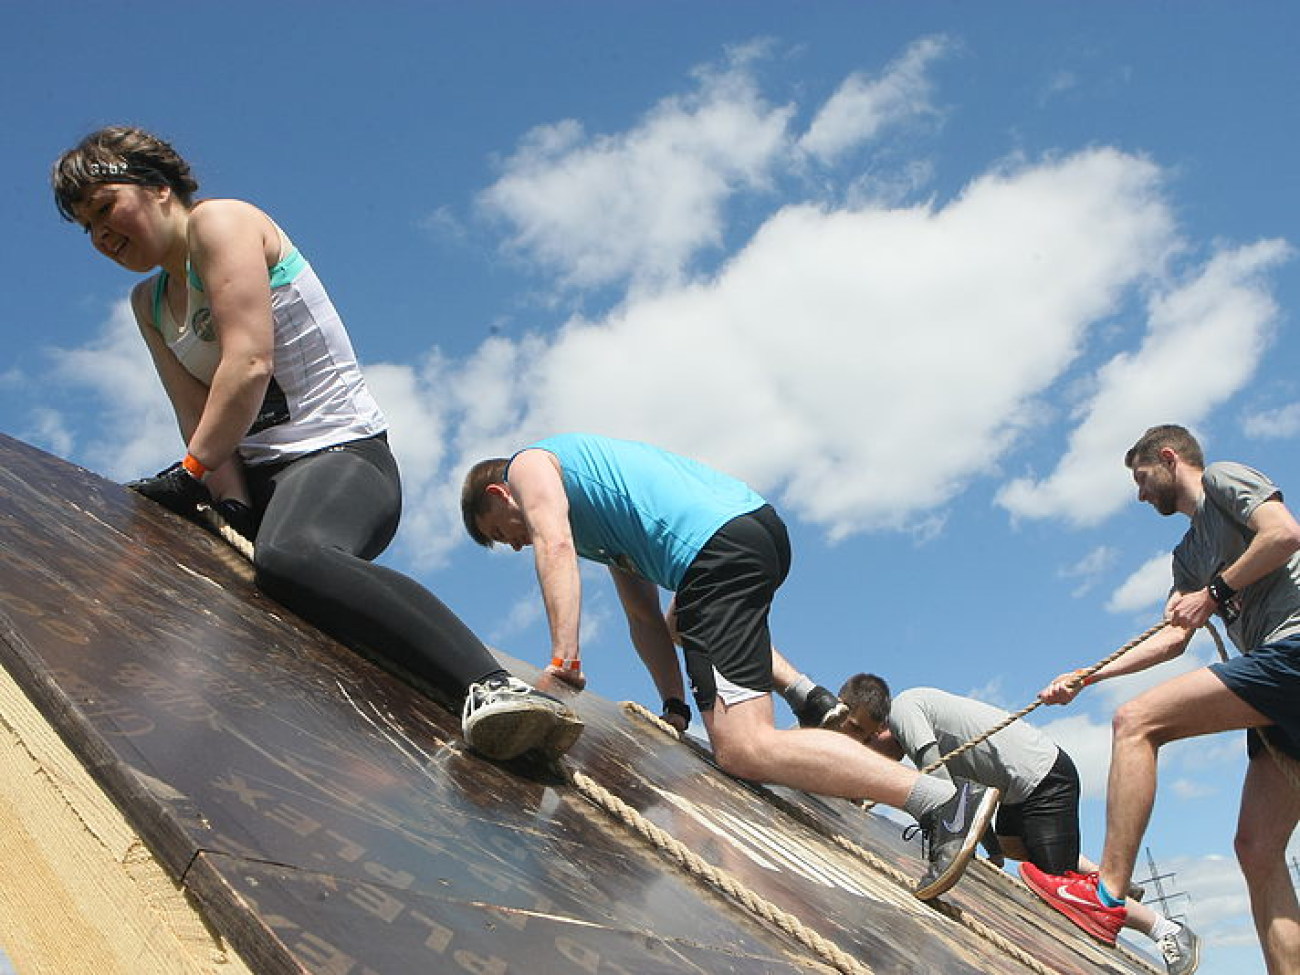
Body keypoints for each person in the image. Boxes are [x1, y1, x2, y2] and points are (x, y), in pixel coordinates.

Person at [51, 126, 581, 762]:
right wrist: (226, 503)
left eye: (106, 207)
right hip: (263, 483)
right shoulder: (149, 303)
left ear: (159, 187)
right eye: (87, 227)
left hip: (342, 456)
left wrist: (190, 473)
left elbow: (248, 363)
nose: (102, 235)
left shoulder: (222, 223)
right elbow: (194, 418)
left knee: (292, 552)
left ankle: (492, 685)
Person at [461, 432, 999, 899]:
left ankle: (943, 804)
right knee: (681, 623)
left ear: (498, 493)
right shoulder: (607, 526)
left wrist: (563, 660)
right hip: (751, 533)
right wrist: (674, 706)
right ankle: (806, 695)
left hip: (713, 554)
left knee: (744, 748)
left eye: (498, 531)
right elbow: (643, 617)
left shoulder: (528, 465)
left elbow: (552, 544)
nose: (510, 544)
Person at [1030, 424, 1300, 973]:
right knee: (1256, 849)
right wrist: (1089, 676)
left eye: (1142, 477)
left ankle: (1106, 897)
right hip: (1274, 689)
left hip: (1291, 649)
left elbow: (1283, 534)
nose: (1139, 493)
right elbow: (1173, 636)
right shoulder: (1186, 557)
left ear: (1169, 458)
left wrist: (1215, 593)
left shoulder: (1226, 479)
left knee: (1136, 722)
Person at [839, 674, 1201, 974]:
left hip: (1042, 778)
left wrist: (872, 790)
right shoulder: (918, 719)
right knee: (1017, 852)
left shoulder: (905, 712)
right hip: (1017, 789)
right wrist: (994, 851)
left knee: (1063, 894)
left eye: (867, 742)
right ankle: (1104, 875)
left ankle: (1164, 928)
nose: (873, 755)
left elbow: (943, 795)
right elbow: (972, 797)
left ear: (881, 727)